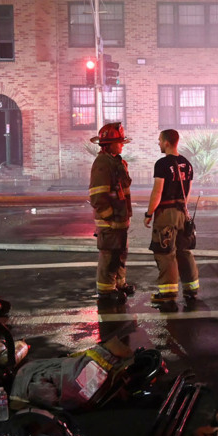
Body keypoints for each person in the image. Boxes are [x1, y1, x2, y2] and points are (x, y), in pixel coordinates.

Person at [144, 129, 198, 310]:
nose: (158, 143)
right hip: (182, 212)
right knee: (184, 251)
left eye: (160, 140)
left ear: (167, 142)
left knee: (165, 253)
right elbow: (187, 192)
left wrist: (149, 213)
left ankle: (168, 295)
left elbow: (157, 192)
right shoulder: (187, 164)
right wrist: (183, 210)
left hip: (166, 214)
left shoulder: (162, 164)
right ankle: (191, 289)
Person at [88, 122, 135, 304]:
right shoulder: (102, 163)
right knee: (109, 254)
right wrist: (109, 217)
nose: (122, 145)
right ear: (108, 144)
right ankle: (106, 291)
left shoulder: (118, 162)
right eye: (119, 142)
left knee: (120, 253)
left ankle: (119, 284)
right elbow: (97, 196)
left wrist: (124, 215)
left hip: (120, 218)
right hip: (110, 221)